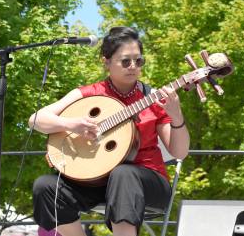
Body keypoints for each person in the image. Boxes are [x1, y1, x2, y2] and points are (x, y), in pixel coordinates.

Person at [31, 27, 189, 236]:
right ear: (106, 62)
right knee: (46, 186)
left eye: (138, 61)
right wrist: (72, 124)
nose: (133, 66)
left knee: (123, 173)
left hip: (147, 183)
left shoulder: (153, 98)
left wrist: (177, 116)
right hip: (96, 181)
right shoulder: (89, 94)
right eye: (125, 61)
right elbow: (36, 120)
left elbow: (180, 152)